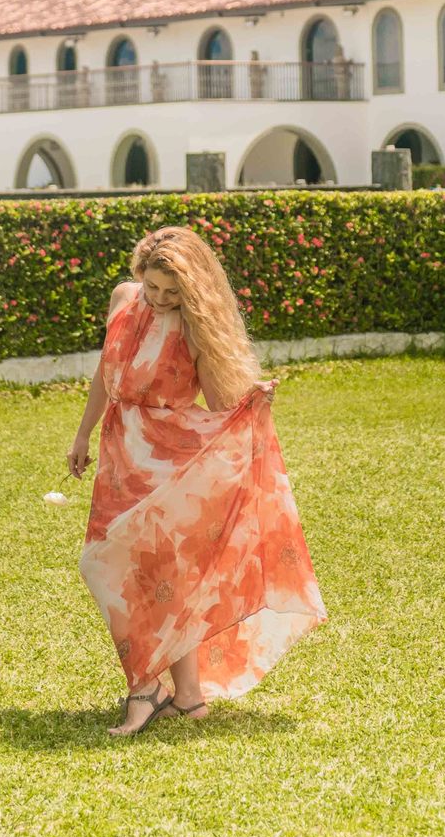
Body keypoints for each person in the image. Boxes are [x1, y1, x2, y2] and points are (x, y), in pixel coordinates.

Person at [67, 224, 327, 737]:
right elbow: (105, 373)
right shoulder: (123, 298)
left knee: (113, 567)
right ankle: (186, 695)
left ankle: (144, 690)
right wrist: (82, 434)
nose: (160, 299)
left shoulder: (192, 327)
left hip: (169, 461)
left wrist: (253, 403)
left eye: (173, 292)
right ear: (138, 273)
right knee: (149, 575)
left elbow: (219, 404)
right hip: (119, 455)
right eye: (153, 287)